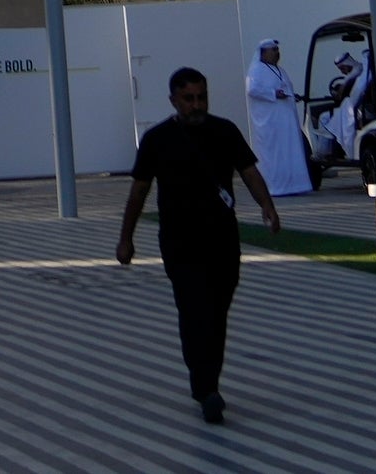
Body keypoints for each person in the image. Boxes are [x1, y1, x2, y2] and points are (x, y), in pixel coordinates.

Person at [117, 65, 279, 425]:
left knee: (217, 311)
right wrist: (126, 238)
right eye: (188, 99)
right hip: (179, 240)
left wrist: (268, 207)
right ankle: (206, 388)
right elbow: (139, 191)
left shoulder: (224, 131)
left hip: (222, 237)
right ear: (173, 100)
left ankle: (207, 381)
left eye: (201, 97)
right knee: (194, 310)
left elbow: (249, 172)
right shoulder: (157, 139)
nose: (196, 104)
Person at [245, 40, 312, 197]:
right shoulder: (256, 70)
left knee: (290, 151)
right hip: (271, 124)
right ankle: (275, 187)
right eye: (273, 50)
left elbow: (284, 88)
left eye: (277, 49)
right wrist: (273, 94)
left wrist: (291, 96)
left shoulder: (279, 69)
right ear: (263, 53)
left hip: (286, 122)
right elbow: (252, 90)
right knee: (275, 155)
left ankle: (295, 186)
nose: (277, 52)